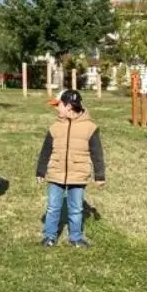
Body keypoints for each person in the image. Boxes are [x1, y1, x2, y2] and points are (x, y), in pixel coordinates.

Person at [36, 89, 106, 248]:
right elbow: (45, 150)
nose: (56, 108)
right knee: (53, 207)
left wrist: (100, 175)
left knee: (76, 208)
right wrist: (41, 171)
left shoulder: (90, 127)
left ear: (68, 106)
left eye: (58, 105)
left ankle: (75, 238)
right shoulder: (55, 126)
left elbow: (97, 153)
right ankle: (49, 237)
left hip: (78, 175)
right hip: (55, 174)